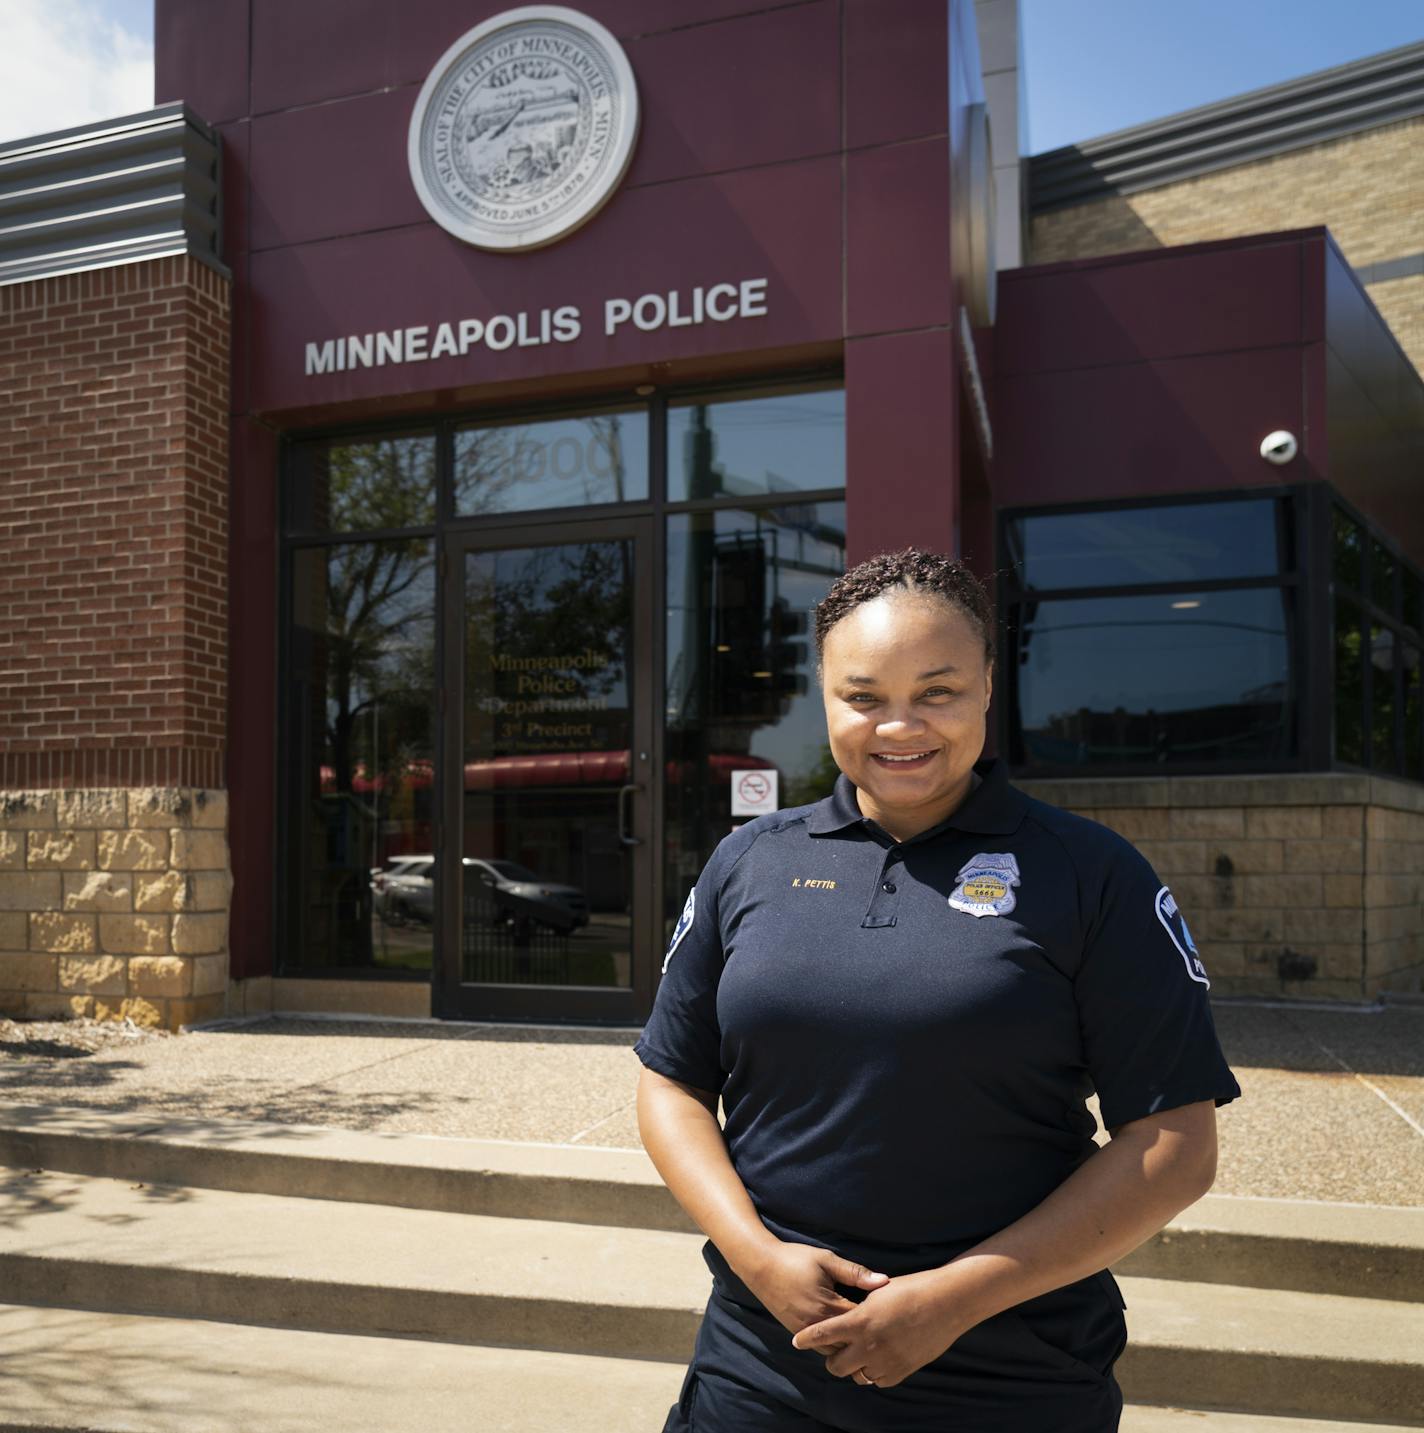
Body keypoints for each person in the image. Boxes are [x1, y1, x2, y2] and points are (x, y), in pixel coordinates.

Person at [634, 548, 1240, 1432]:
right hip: (765, 1365)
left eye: (939, 691)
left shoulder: (1090, 873)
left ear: (990, 686)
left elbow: (1175, 1140)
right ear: (826, 694)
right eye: (865, 695)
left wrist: (951, 1300)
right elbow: (671, 1082)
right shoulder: (749, 860)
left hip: (1011, 1374)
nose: (899, 725)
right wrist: (756, 1256)